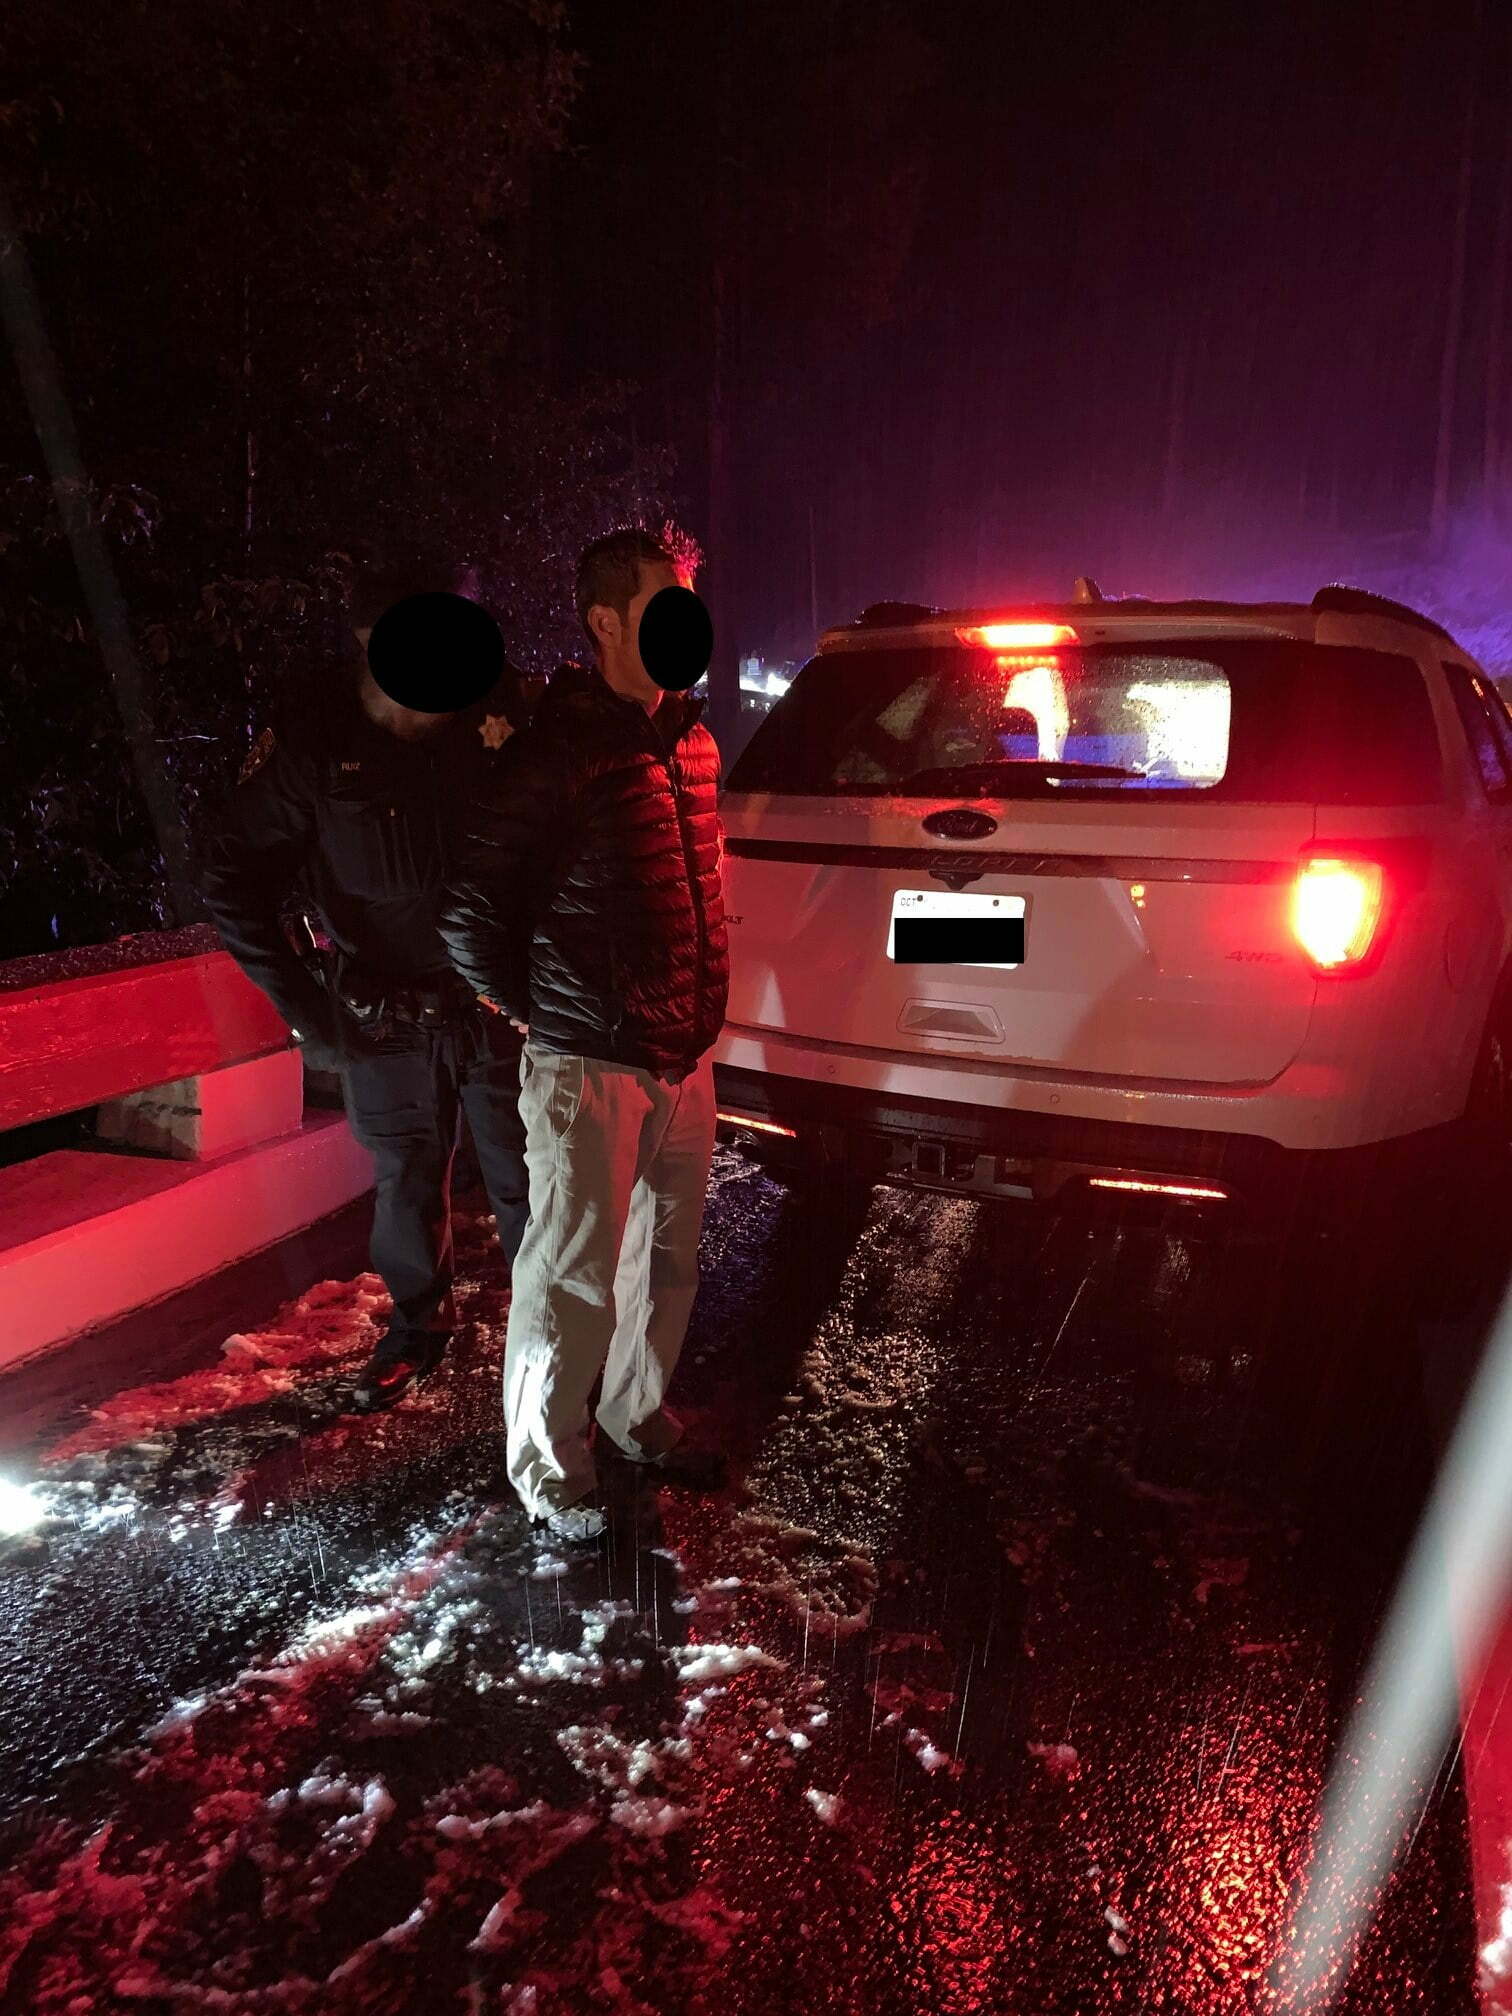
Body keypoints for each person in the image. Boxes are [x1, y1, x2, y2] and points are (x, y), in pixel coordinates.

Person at [441, 528, 730, 1543]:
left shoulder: (692, 741)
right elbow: (469, 913)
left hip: (684, 1057)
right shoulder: (557, 750)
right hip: (589, 1063)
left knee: (666, 1264)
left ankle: (634, 1417)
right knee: (568, 1279)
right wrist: (543, 1013)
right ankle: (548, 1471)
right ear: (606, 622)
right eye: (664, 606)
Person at [200, 566, 531, 1412]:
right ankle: (419, 1327)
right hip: (383, 1014)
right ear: (363, 643)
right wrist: (306, 1011)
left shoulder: (504, 711)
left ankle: (555, 1337)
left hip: (498, 1003)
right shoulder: (315, 737)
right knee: (407, 1182)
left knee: (532, 1179)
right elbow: (231, 874)